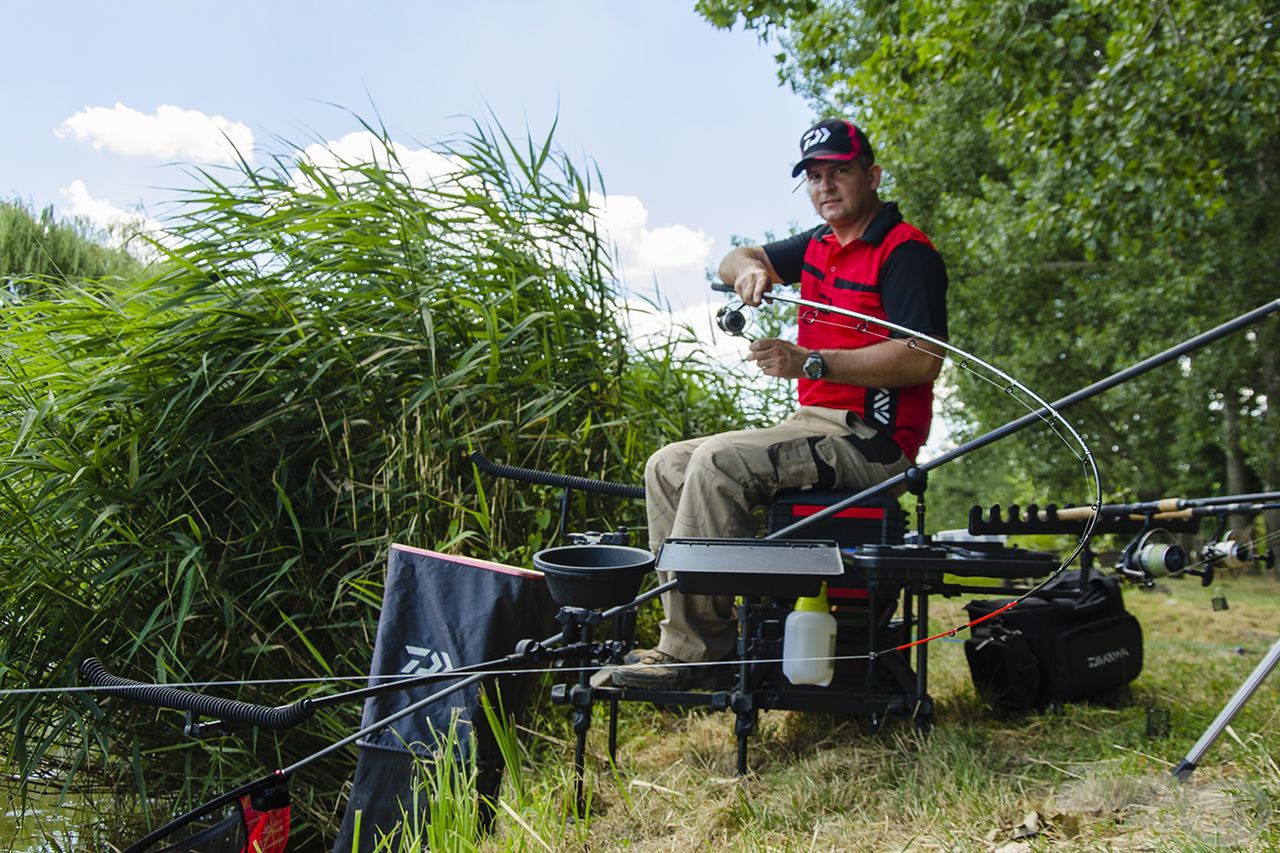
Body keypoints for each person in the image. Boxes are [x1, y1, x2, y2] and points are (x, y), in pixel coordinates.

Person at [610, 118, 949, 689]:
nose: (826, 186)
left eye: (839, 171)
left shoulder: (904, 251)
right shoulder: (817, 245)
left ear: (872, 175)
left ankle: (693, 656)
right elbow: (734, 256)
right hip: (812, 425)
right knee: (666, 463)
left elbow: (922, 359)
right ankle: (710, 635)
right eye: (815, 176)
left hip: (873, 439)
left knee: (720, 462)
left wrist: (811, 361)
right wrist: (746, 269)